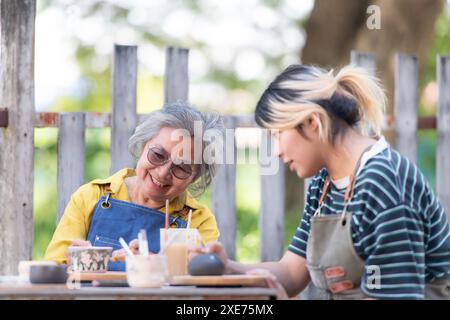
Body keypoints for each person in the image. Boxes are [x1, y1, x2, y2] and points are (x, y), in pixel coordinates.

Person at [191, 64, 450, 299]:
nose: (276, 151)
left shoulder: (383, 183)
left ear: (312, 122)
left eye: (277, 135)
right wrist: (228, 268)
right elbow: (291, 273)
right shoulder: (324, 185)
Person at [45, 103, 224, 271]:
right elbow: (54, 269)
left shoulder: (198, 221)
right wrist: (77, 262)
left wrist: (153, 265)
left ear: (194, 178)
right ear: (142, 147)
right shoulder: (91, 196)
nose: (162, 173)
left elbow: (203, 281)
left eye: (182, 168)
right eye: (158, 155)